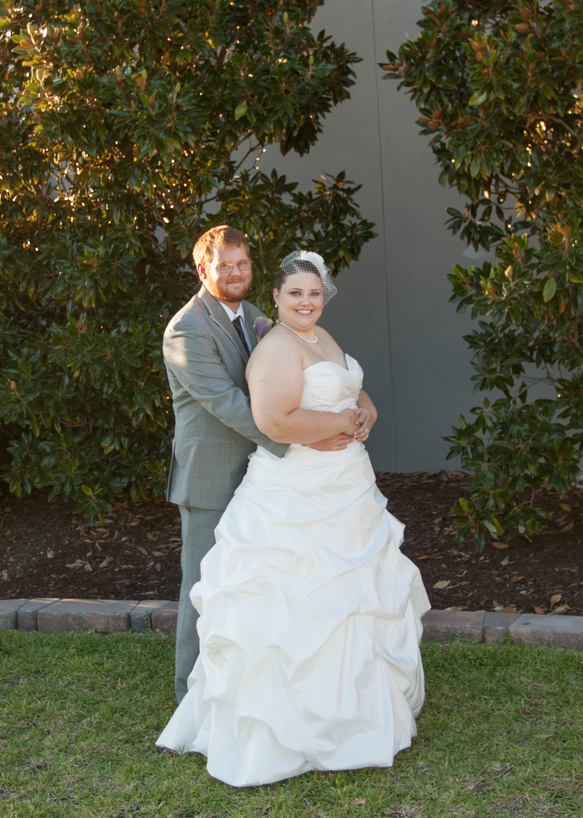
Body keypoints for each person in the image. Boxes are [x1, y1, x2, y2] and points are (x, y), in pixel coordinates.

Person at [157, 250, 430, 787]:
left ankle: (356, 708)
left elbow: (349, 386)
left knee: (352, 598)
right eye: (296, 293)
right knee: (277, 601)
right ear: (278, 300)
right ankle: (251, 714)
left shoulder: (313, 335)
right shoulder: (264, 343)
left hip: (345, 486)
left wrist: (363, 412)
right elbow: (271, 419)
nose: (306, 301)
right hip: (294, 486)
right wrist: (329, 427)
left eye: (314, 293)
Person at [163, 227, 357, 702]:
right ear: (202, 269)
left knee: (252, 581)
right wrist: (300, 433)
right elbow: (227, 402)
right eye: (224, 264)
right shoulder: (186, 328)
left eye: (242, 263)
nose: (234, 272)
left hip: (263, 473)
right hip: (212, 476)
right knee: (206, 584)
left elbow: (296, 371)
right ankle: (191, 692)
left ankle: (245, 683)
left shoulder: (254, 317)